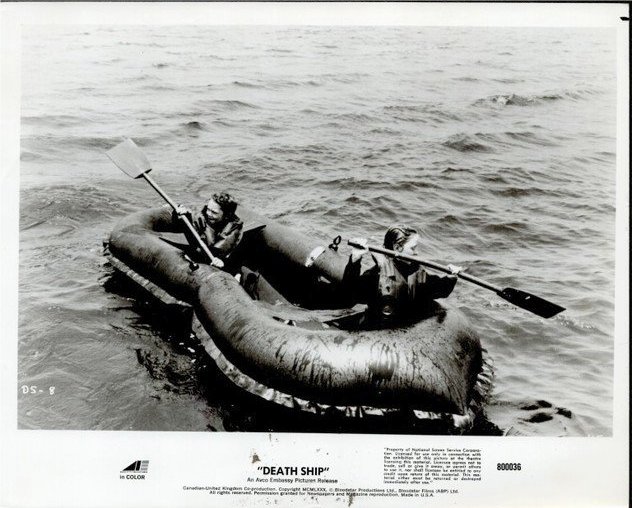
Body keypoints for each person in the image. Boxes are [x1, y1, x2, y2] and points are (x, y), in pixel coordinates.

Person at [342, 225, 461, 326]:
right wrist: (355, 260)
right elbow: (349, 295)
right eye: (413, 248)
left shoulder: (417, 272)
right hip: (377, 330)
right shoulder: (376, 275)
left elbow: (440, 290)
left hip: (405, 331)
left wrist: (451, 277)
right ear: (397, 248)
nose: (417, 252)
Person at [174, 192, 243, 269]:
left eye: (214, 212)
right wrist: (184, 214)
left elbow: (219, 251)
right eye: (208, 209)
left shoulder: (233, 228)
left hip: (219, 256)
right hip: (203, 248)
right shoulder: (204, 215)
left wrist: (221, 262)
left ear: (226, 215)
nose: (209, 214)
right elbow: (192, 219)